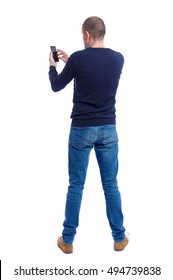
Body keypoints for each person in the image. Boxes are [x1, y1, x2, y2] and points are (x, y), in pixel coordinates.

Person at [48, 16, 128, 254]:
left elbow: (56, 85)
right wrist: (72, 60)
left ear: (86, 34)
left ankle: (68, 240)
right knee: (111, 184)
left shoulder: (79, 60)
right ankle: (119, 238)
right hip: (108, 129)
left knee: (76, 186)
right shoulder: (118, 59)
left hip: (82, 129)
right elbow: (95, 71)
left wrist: (53, 66)